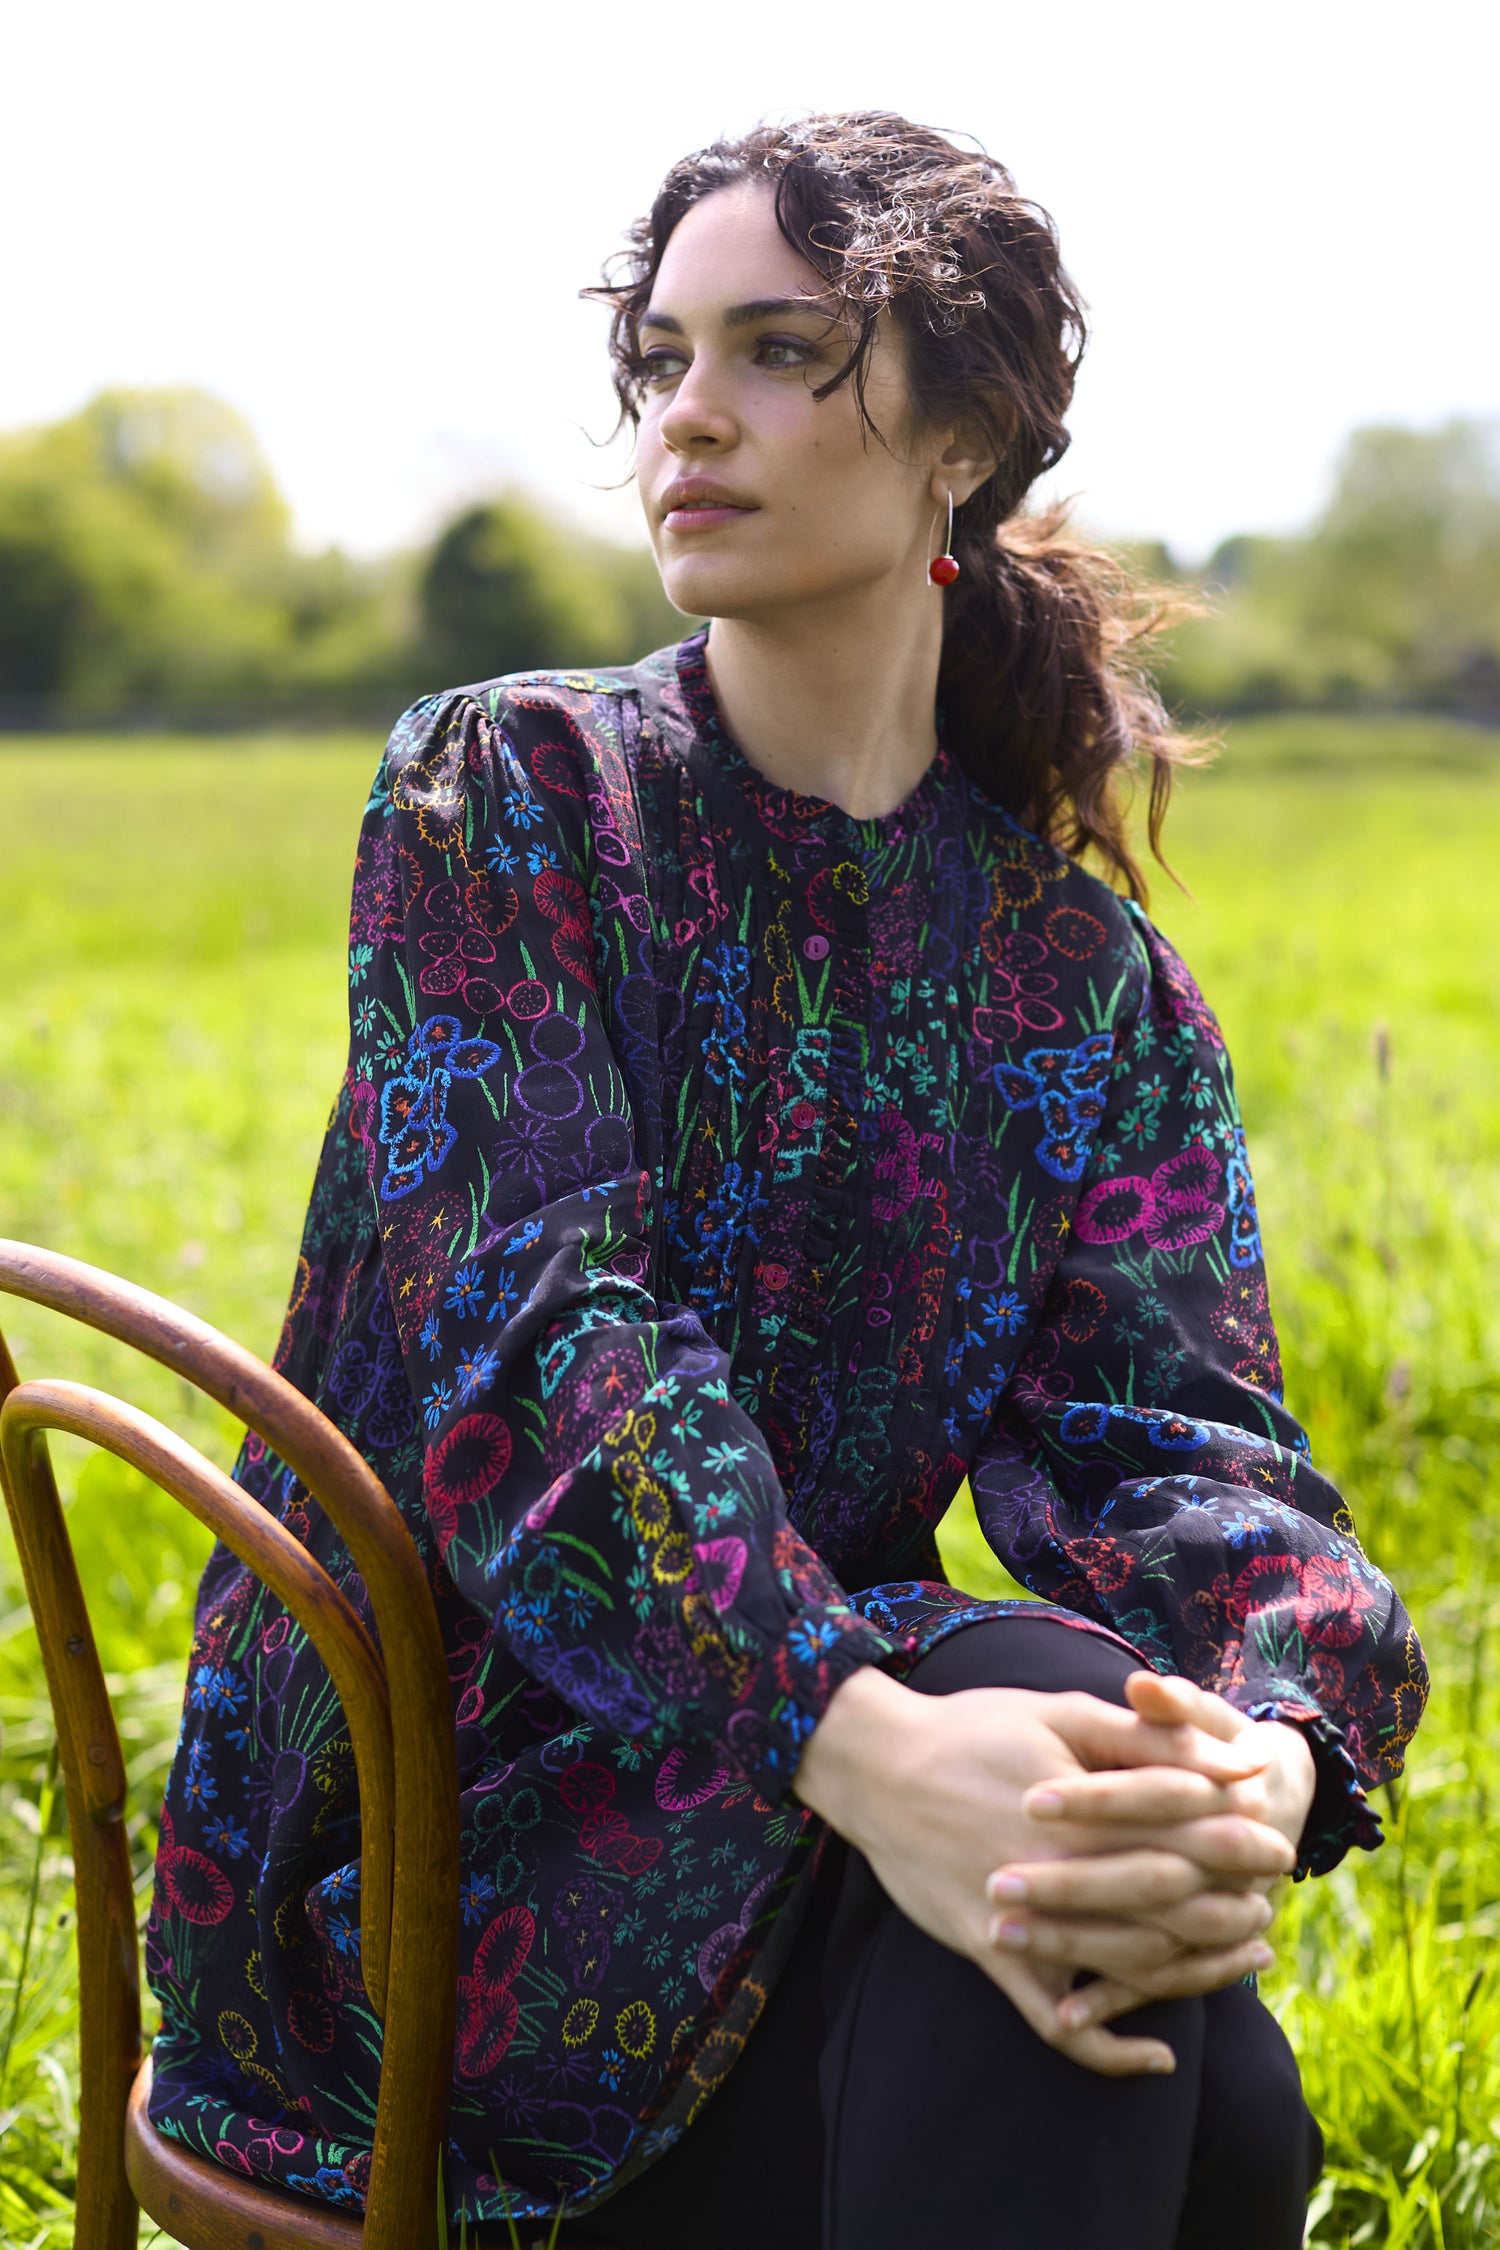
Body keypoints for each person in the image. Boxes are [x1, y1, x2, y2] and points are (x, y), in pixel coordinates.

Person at [145, 112, 1428, 2249]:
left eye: (779, 349)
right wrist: (855, 1740)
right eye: (661, 357)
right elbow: (536, 1366)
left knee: (1112, 1915)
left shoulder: (1079, 981)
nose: (688, 416)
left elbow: (1183, 1450)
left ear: (967, 431)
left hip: (821, 1796)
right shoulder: (519, 794)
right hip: (445, 1831)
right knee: (1179, 2075)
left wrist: (1257, 1769)